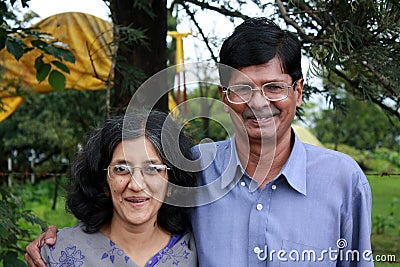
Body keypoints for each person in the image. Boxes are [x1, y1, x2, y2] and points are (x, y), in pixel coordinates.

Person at [26, 17, 372, 266]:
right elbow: (135, 207)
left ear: (297, 92)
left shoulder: (342, 180)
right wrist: (61, 245)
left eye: (274, 87)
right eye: (242, 89)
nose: (258, 103)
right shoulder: (193, 167)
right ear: (224, 95)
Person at [27, 110, 197, 267]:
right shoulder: (58, 254)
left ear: (171, 183)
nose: (136, 185)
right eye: (121, 169)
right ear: (103, 182)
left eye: (152, 169)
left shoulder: (195, 253)